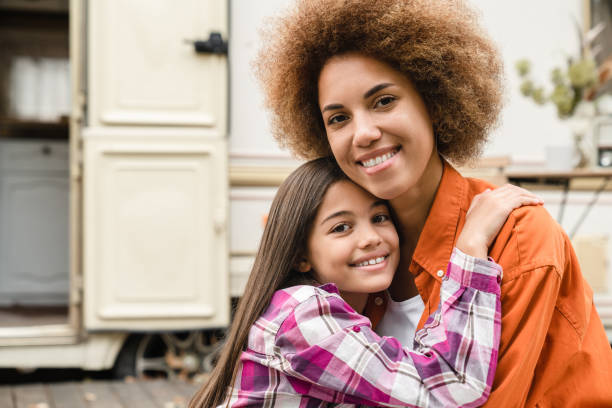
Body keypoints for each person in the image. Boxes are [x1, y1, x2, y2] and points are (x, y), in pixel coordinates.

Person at [253, 0, 612, 406]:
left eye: (384, 101)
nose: (364, 133)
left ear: (433, 101)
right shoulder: (359, 258)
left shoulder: (518, 235)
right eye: (338, 118)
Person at [190, 157, 541, 407]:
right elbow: (454, 388)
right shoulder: (303, 315)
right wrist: (470, 249)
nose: (371, 237)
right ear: (301, 256)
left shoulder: (347, 311)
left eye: (379, 216)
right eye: (342, 227)